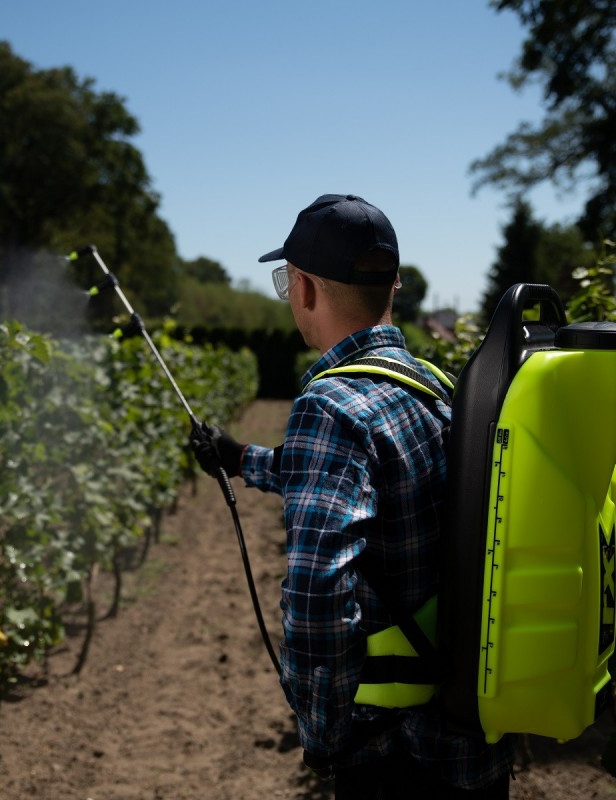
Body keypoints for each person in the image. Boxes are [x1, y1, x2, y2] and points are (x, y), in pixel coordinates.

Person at [190, 194, 515, 798]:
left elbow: (317, 597)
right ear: (393, 285)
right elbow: (382, 486)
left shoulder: (330, 407)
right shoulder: (435, 386)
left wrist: (323, 731)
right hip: (473, 737)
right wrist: (240, 460)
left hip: (395, 755)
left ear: (304, 288)